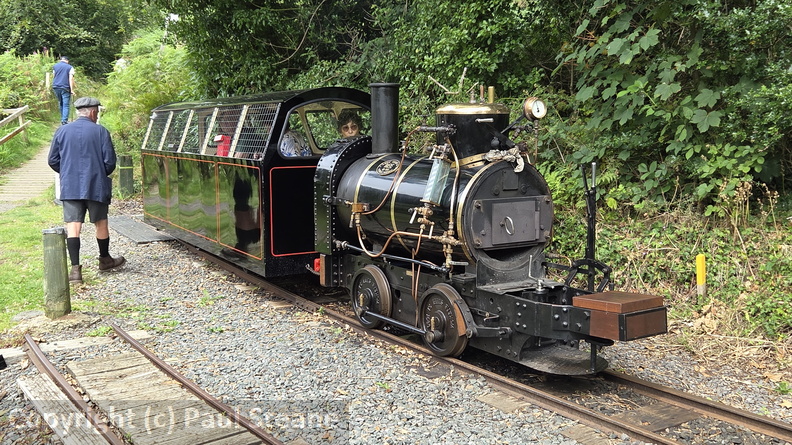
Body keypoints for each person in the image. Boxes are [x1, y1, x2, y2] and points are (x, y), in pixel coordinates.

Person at [48, 97, 126, 284]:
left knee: (73, 226)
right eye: (97, 112)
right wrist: (99, 173)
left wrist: (67, 172)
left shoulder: (62, 131)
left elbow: (53, 160)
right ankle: (105, 260)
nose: (97, 115)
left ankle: (75, 270)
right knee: (101, 222)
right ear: (92, 112)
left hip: (71, 185)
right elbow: (110, 162)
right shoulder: (101, 131)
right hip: (96, 185)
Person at [52, 56, 76, 125]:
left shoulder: (55, 66)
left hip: (56, 87)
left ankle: (62, 118)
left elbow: (54, 76)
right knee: (66, 104)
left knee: (60, 103)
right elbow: (70, 79)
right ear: (67, 61)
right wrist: (72, 90)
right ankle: (64, 121)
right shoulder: (70, 67)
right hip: (65, 87)